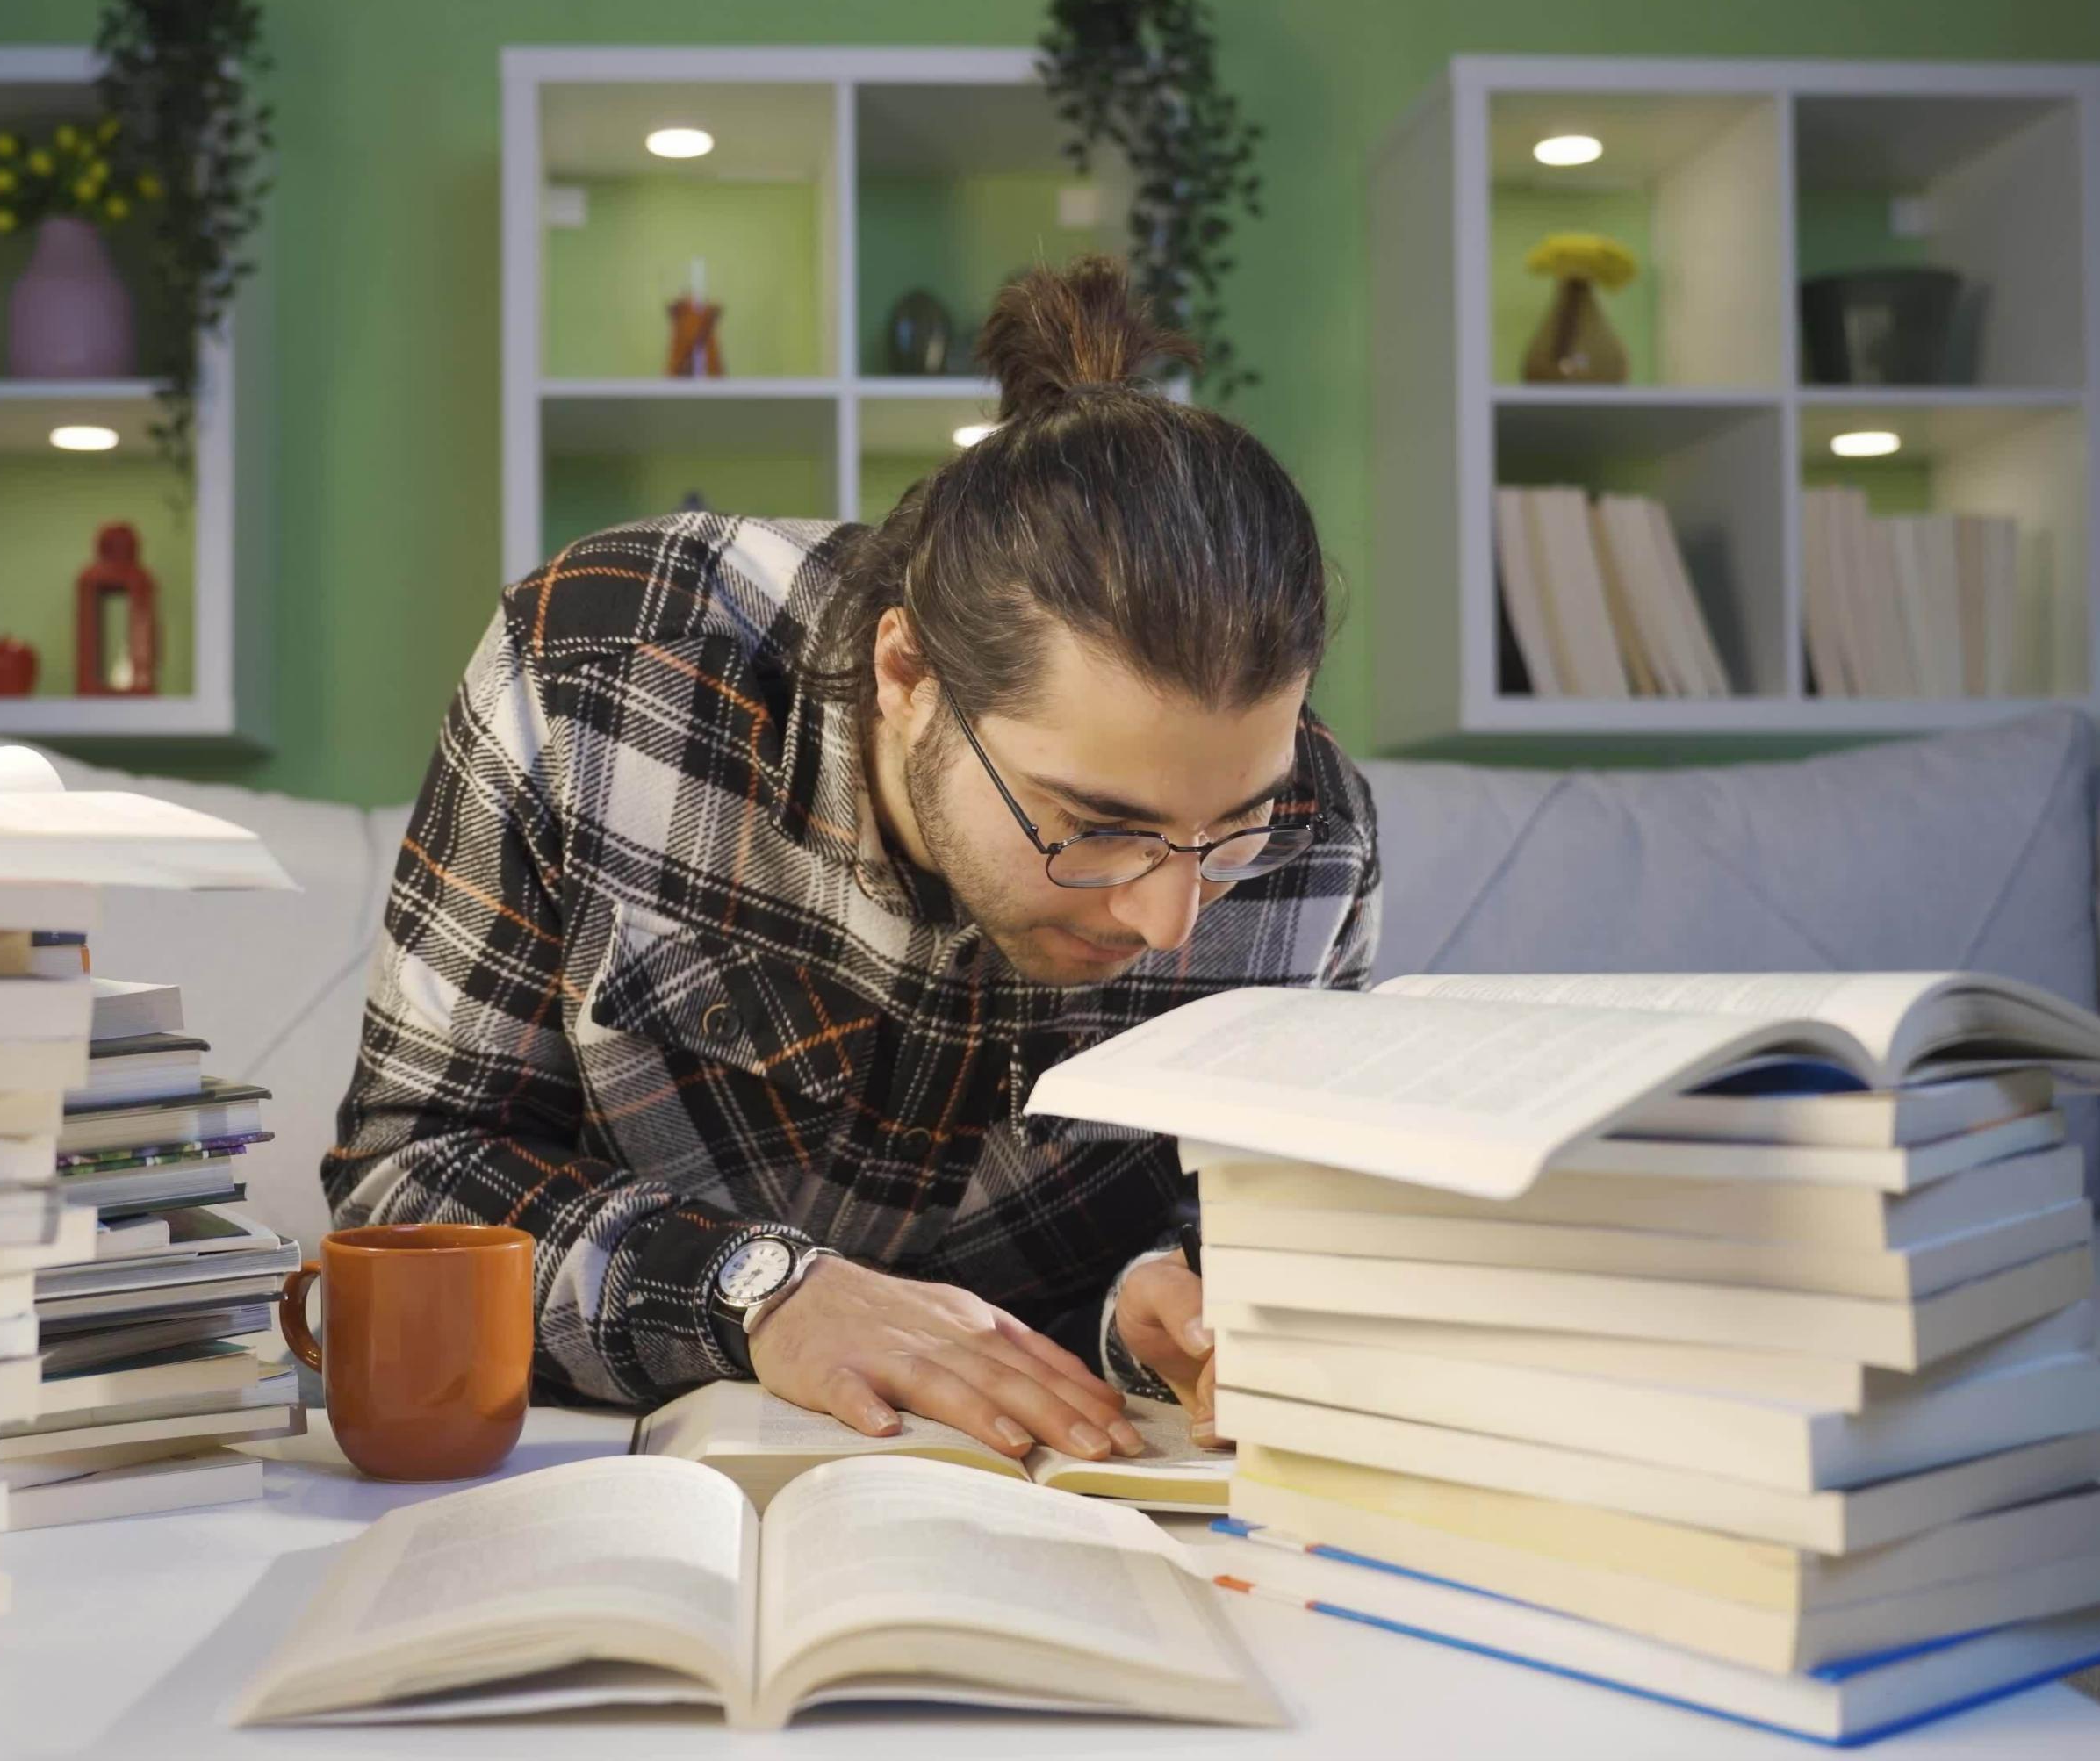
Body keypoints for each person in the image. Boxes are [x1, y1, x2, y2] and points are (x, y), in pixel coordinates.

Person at [327, 254, 1377, 1463]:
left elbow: (1236, 1248)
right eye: (1095, 826)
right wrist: (749, 1287)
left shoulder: (1316, 845)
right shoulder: (598, 678)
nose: (1169, 918)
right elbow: (401, 1187)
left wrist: (1168, 1310)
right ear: (905, 675)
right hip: (627, 1482)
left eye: (1233, 824)